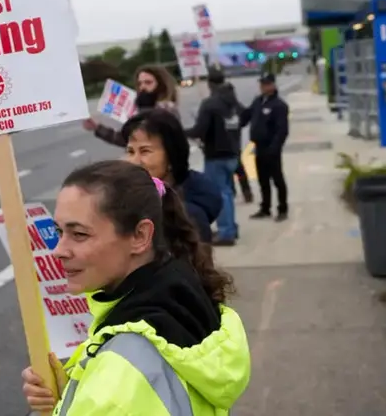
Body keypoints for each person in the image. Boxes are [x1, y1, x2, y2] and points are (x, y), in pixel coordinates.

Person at [22, 160, 251, 415]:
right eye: (59, 231)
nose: (59, 250)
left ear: (140, 236)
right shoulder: (183, 293)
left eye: (79, 235)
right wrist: (69, 396)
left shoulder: (118, 372)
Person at [122, 108, 223, 243]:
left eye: (145, 151)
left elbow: (198, 262)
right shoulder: (129, 196)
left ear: (172, 156)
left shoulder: (189, 216)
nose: (134, 161)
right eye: (130, 151)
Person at [184, 69, 242, 246]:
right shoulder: (232, 101)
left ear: (209, 83)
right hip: (233, 153)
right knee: (228, 192)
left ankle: (226, 233)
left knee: (221, 194)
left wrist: (181, 132)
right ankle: (231, 227)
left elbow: (199, 130)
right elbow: (243, 118)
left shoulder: (209, 104)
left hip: (216, 155)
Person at [84, 65, 180, 147]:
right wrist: (97, 128)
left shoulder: (167, 109)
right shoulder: (143, 107)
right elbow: (128, 139)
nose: (142, 87)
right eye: (139, 83)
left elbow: (143, 140)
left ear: (161, 85)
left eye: (148, 82)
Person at [241, 73, 290, 221]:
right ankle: (265, 207)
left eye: (266, 84)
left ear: (273, 85)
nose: (263, 87)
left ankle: (282, 209)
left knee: (277, 179)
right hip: (259, 146)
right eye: (262, 84)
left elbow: (282, 130)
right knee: (262, 180)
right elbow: (246, 116)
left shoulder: (279, 105)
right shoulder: (258, 101)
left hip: (272, 148)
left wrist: (275, 147)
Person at [223, 82, 254, 204]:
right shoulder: (234, 106)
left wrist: (240, 125)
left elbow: (246, 115)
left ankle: (242, 192)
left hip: (230, 141)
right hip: (232, 141)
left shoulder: (230, 106)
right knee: (236, 169)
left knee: (235, 168)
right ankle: (244, 192)